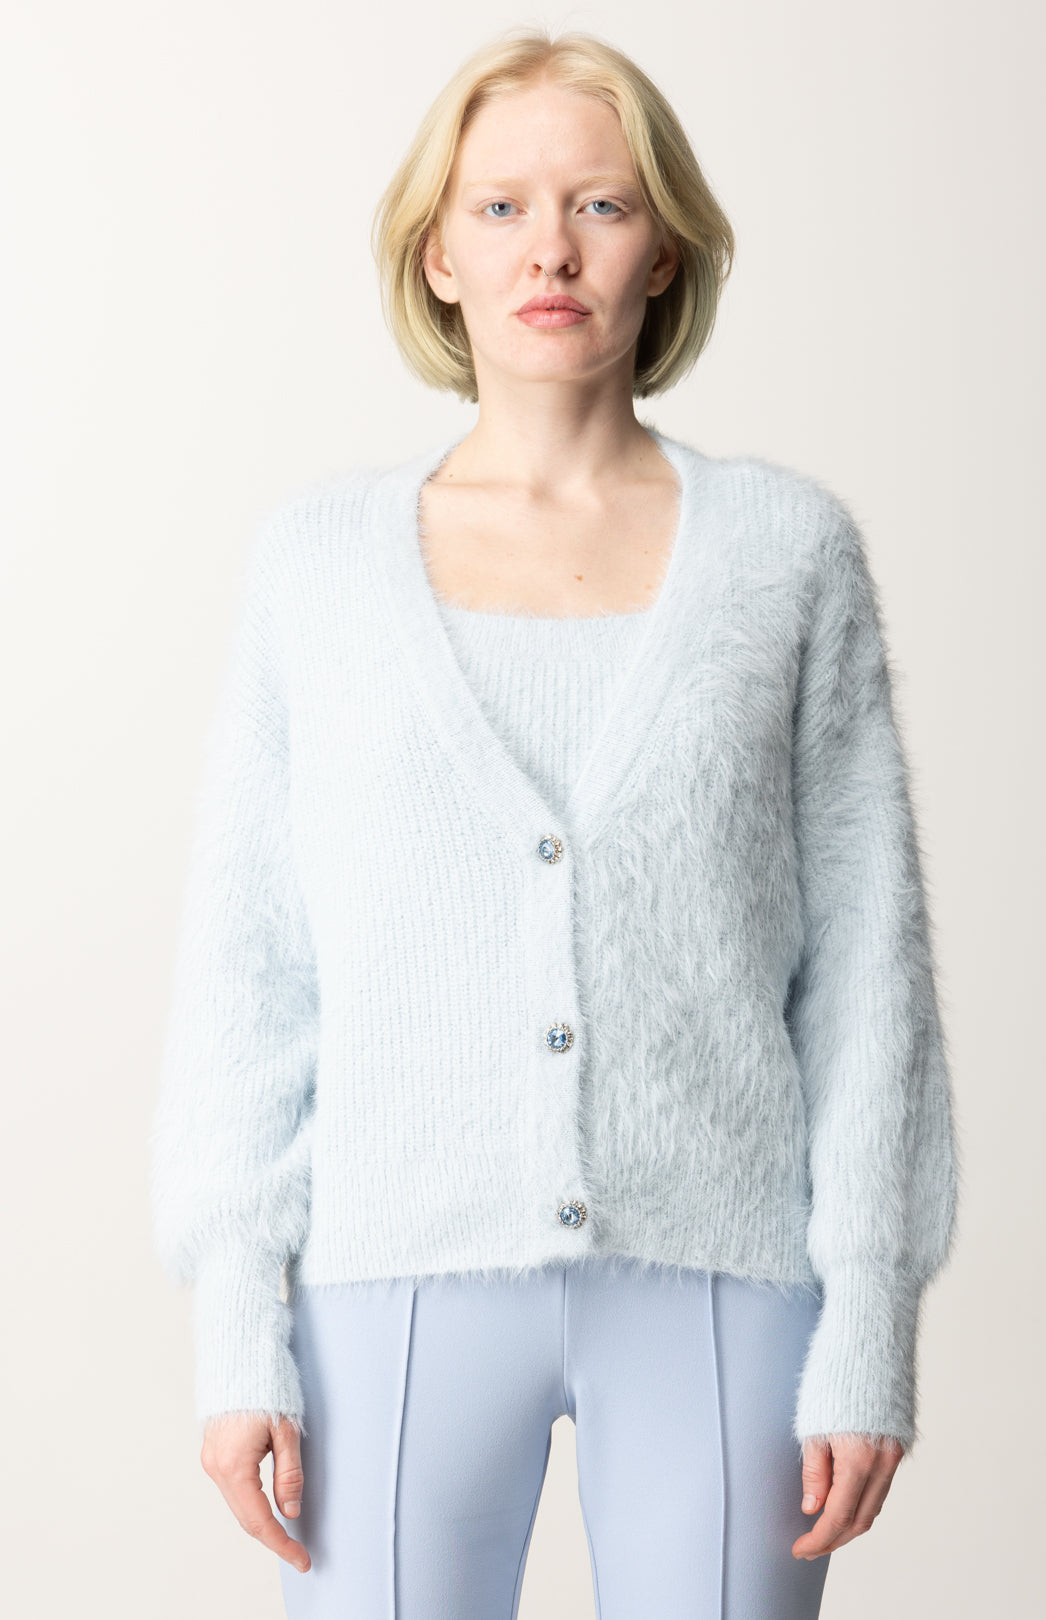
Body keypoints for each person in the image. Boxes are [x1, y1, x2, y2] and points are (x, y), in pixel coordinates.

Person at [149, 25, 961, 1620]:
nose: (552, 251)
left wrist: (870, 1318)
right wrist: (238, 1319)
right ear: (437, 255)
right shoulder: (316, 568)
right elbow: (250, 970)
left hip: (725, 1277)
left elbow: (872, 974)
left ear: (665, 250)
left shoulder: (786, 554)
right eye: (502, 207)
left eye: (601, 204)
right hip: (392, 1278)